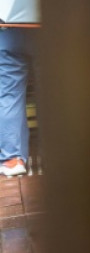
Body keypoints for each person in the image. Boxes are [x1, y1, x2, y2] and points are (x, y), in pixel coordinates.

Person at [0, 29, 31, 176]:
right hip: (48, 31)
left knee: (10, 98)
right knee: (53, 93)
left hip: (8, 32)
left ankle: (13, 160)